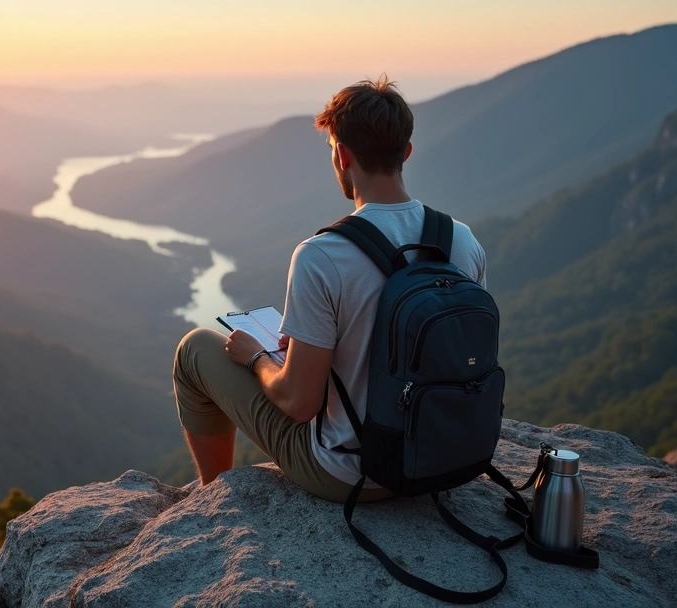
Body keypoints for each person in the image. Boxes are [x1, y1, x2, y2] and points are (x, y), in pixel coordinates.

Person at [172, 75, 487, 502]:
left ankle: (211, 499)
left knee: (195, 349)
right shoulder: (461, 240)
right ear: (406, 152)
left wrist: (259, 359)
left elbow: (300, 403)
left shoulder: (322, 255)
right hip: (440, 459)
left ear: (341, 155)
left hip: (350, 474)